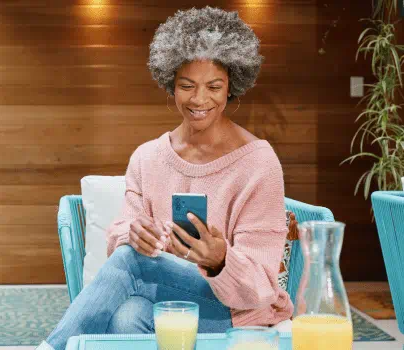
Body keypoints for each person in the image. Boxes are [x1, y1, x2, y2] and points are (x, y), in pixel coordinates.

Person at [36, 6, 292, 350]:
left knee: (131, 263)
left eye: (214, 86)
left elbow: (259, 286)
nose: (200, 99)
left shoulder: (258, 163)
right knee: (127, 317)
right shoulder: (147, 157)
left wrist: (219, 260)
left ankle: (50, 348)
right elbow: (120, 237)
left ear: (232, 84)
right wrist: (133, 233)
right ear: (171, 84)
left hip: (234, 311)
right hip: (163, 297)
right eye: (187, 86)